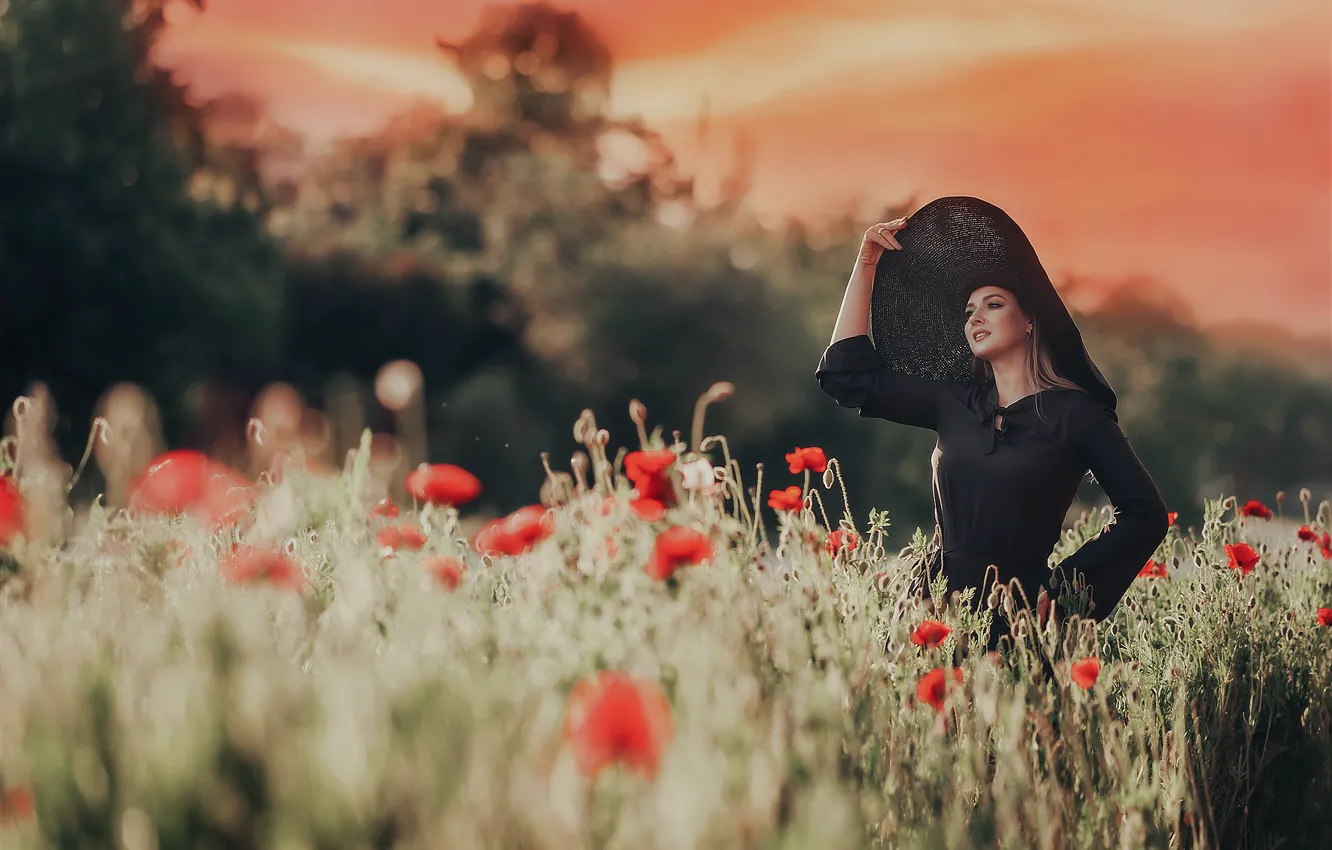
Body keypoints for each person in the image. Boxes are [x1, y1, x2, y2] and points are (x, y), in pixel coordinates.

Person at [815, 196, 1168, 650]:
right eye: (969, 311)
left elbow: (1145, 516)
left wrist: (1066, 588)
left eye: (994, 304)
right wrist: (865, 263)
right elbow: (845, 376)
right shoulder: (953, 401)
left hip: (1014, 621)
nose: (976, 317)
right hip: (929, 611)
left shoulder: (1079, 416)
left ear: (1028, 322)